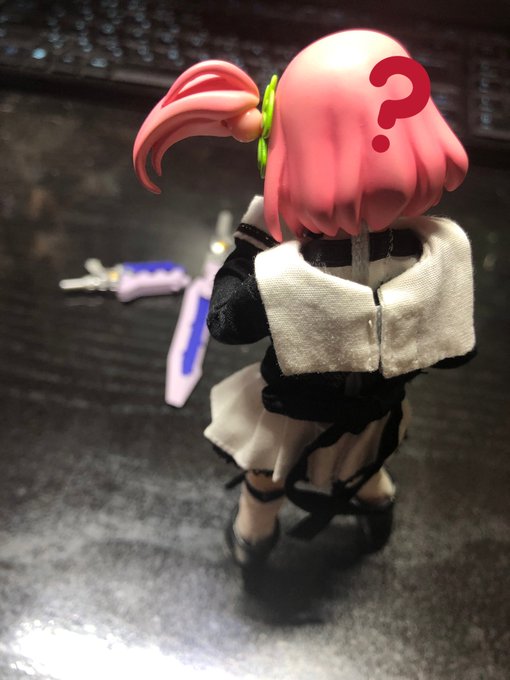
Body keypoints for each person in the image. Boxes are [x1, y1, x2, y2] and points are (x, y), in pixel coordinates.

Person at [133, 30, 475, 569]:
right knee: (268, 479)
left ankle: (370, 507)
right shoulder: (277, 236)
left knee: (367, 472)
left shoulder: (425, 242)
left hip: (374, 405)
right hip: (295, 404)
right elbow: (227, 320)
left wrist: (423, 324)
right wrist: (283, 278)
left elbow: (454, 347)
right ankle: (255, 536)